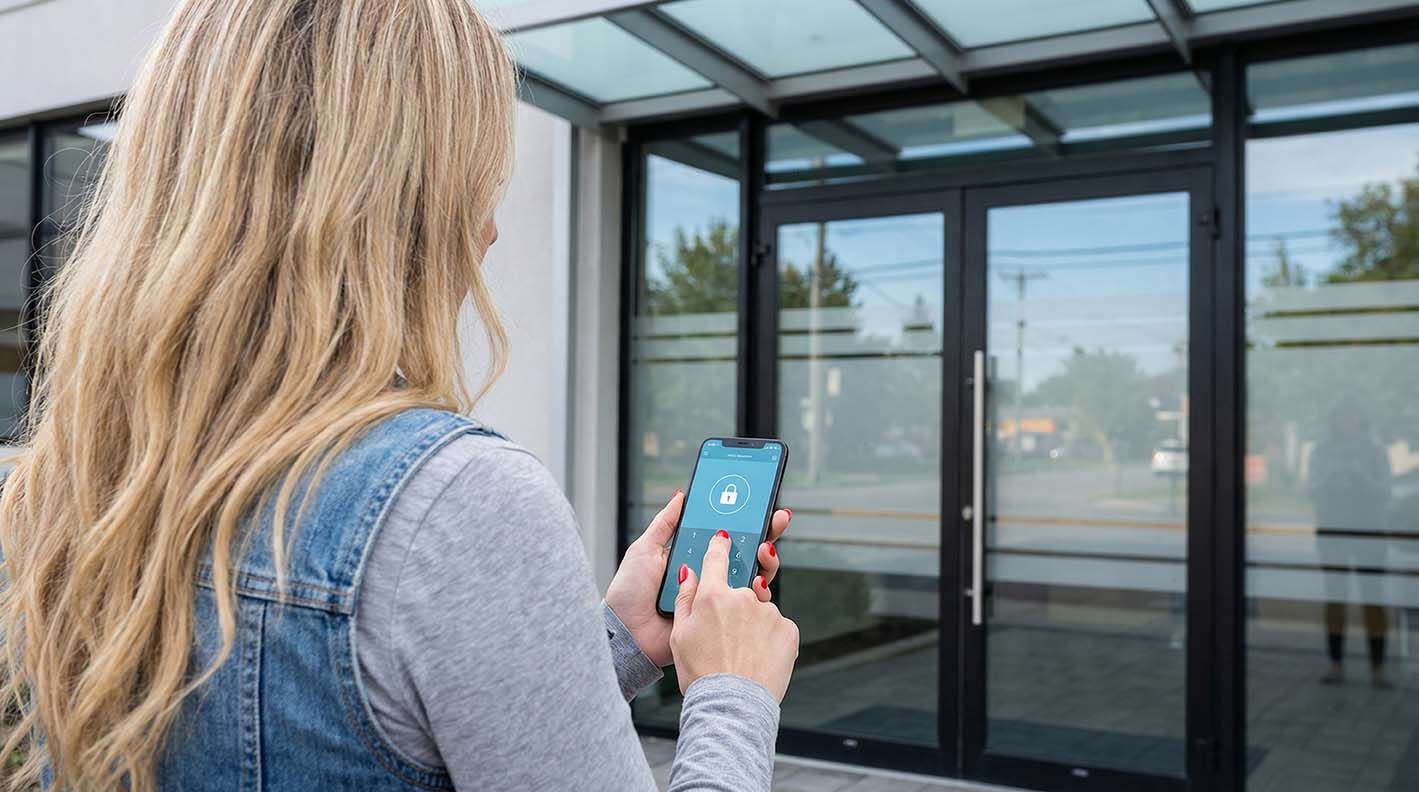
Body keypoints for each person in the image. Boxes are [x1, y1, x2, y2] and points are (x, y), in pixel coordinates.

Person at [0, 2, 800, 790]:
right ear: (400, 201)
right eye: (475, 181)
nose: (488, 232)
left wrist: (619, 640)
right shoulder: (454, 502)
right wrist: (733, 692)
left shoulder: (63, 484)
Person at [1310, 398, 1392, 688]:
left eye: (1353, 416)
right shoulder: (1322, 451)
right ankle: (1335, 665)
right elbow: (1311, 489)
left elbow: (1386, 492)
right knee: (1335, 598)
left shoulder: (1376, 452)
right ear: (1334, 421)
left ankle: (1378, 668)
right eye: (1342, 417)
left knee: (1373, 599)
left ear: (1362, 419)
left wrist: (1361, 475)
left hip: (1370, 532)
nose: (1348, 422)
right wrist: (1332, 473)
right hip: (1333, 532)